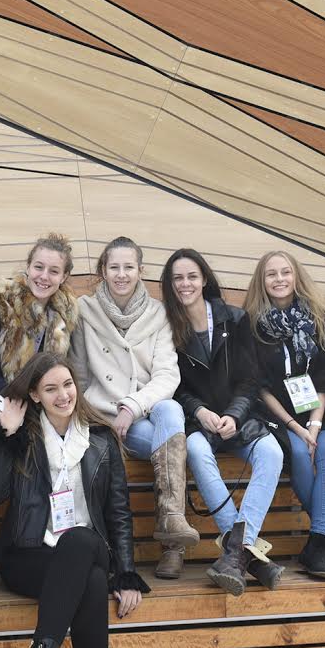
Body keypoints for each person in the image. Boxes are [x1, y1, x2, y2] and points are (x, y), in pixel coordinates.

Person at [0, 352, 147, 648]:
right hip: (30, 558)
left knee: (81, 542)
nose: (63, 395)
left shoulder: (101, 438)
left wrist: (126, 573)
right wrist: (6, 434)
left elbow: (118, 511)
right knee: (91, 581)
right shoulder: (23, 437)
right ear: (34, 395)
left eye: (68, 385)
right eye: (51, 388)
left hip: (87, 547)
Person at [162, 249, 286, 592]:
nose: (185, 284)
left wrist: (234, 413)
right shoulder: (166, 327)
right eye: (177, 278)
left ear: (204, 278)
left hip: (239, 416)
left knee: (272, 453)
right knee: (195, 451)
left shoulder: (234, 319)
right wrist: (200, 411)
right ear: (169, 284)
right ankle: (247, 557)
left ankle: (235, 553)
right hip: (197, 420)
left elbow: (250, 379)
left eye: (192, 276)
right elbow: (173, 386)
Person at [69, 237, 200, 561]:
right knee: (173, 446)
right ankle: (173, 545)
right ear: (103, 270)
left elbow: (167, 375)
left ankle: (172, 523)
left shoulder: (158, 313)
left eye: (129, 267)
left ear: (141, 270)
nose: (121, 274)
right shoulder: (85, 311)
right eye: (114, 267)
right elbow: (79, 377)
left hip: (145, 413)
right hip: (106, 417)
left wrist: (133, 405)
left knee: (170, 408)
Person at [245, 250, 325, 581]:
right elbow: (260, 387)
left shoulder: (322, 319)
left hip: (318, 409)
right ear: (262, 281)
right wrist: (296, 427)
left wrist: (314, 426)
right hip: (277, 414)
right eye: (271, 274)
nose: (279, 279)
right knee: (301, 455)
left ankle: (316, 544)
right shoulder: (251, 325)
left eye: (285, 272)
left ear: (296, 276)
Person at [0, 232, 80, 447]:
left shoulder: (63, 315)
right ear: (28, 267)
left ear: (64, 276)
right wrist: (28, 410)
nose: (44, 276)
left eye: (54, 271)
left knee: (74, 433)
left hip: (40, 402)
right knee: (26, 436)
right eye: (38, 267)